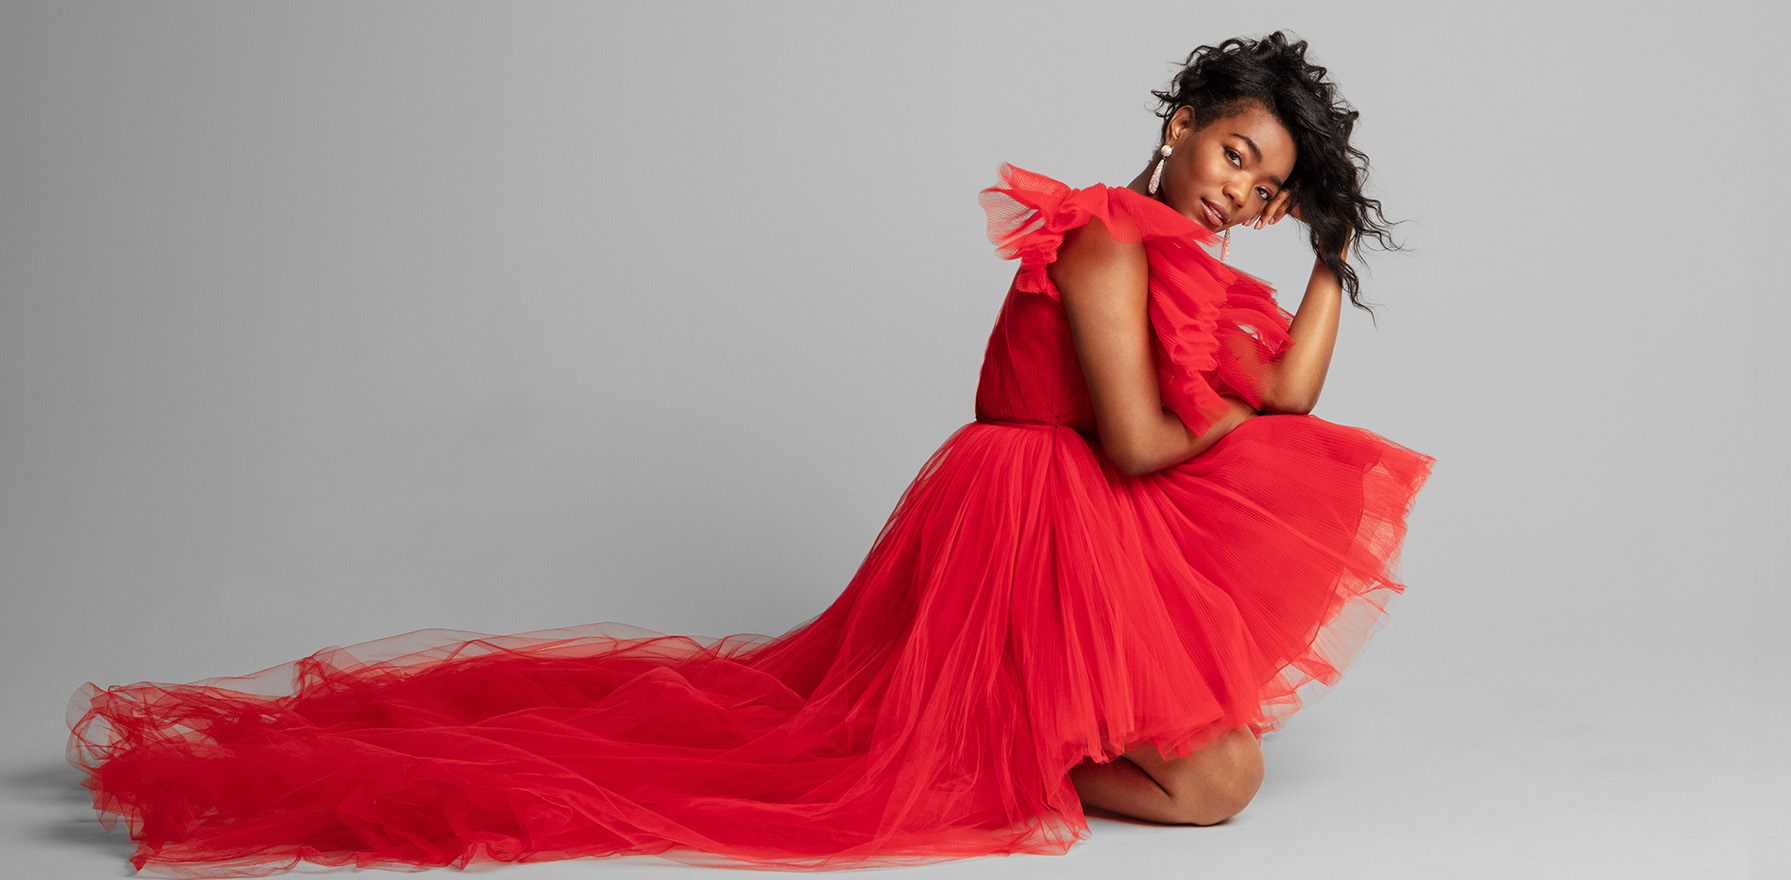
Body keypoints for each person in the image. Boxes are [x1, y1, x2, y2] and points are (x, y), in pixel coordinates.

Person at [67, 32, 1428, 877]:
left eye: (1268, 182)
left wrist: (1332, 251)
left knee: (1221, 782)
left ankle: (998, 741)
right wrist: (1238, 421)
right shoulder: (1109, 233)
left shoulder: (1194, 263)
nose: (1241, 188)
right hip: (1029, 513)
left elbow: (1295, 393)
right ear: (1182, 119)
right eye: (1237, 152)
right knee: (1213, 784)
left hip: (1088, 527)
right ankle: (986, 746)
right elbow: (1136, 443)